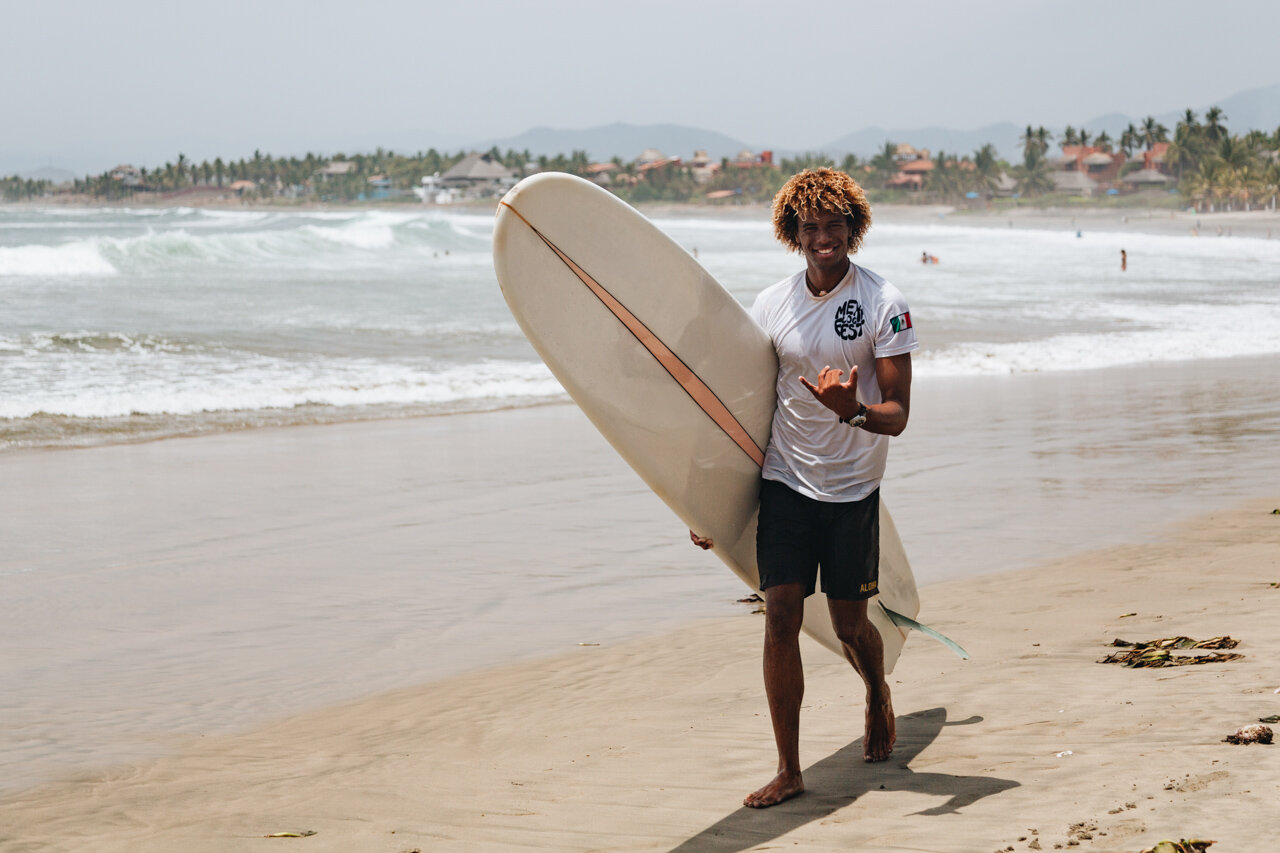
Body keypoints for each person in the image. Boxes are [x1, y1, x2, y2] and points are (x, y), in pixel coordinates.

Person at [691, 168, 917, 808]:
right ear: (793, 234)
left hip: (852, 491)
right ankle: (789, 768)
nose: (823, 237)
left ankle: (876, 688)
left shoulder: (883, 304)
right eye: (810, 227)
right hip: (786, 481)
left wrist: (851, 411)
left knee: (849, 625)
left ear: (854, 227)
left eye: (833, 224)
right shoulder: (770, 306)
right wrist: (706, 500)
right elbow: (745, 409)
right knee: (780, 616)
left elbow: (898, 414)